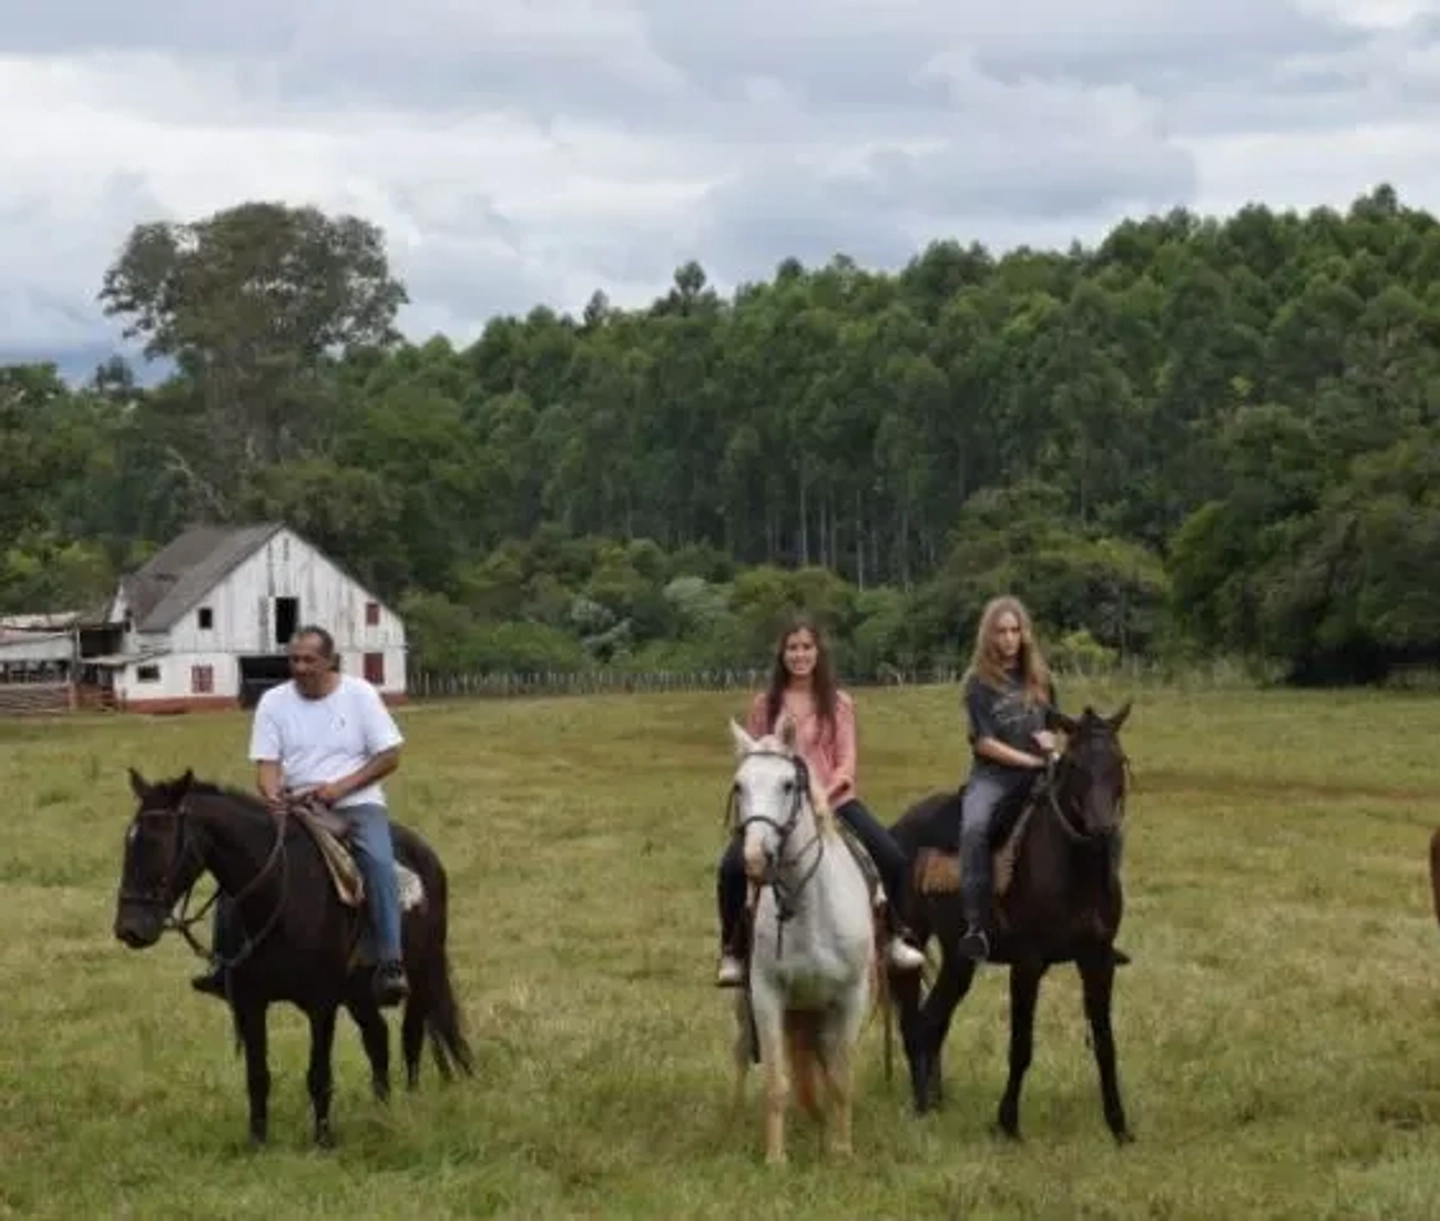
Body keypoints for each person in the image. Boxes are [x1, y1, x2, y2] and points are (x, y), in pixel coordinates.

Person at [190, 624, 411, 1007]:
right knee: (240, 865)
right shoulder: (274, 702)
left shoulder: (359, 695)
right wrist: (273, 795)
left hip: (355, 802)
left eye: (309, 659)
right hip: (294, 804)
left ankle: (390, 962)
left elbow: (389, 757)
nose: (300, 667)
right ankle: (225, 965)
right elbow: (267, 764)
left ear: (329, 661)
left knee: (377, 862)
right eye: (294, 659)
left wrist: (339, 788)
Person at [714, 615, 927, 986]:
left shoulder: (839, 703)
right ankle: (733, 949)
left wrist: (821, 797)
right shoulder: (764, 704)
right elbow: (755, 759)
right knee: (731, 868)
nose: (799, 655)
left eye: (806, 647)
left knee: (891, 856)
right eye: (792, 648)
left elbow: (846, 763)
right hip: (778, 807)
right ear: (782, 654)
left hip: (835, 799)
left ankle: (894, 936)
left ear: (818, 652)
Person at [954, 595, 1129, 965]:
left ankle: (1100, 923)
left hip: (1043, 771)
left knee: (1103, 824)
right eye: (1001, 631)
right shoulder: (978, 684)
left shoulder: (1040, 677)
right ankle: (976, 926)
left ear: (1025, 634)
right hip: (994, 778)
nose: (1008, 638)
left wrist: (1055, 743)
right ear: (989, 636)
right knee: (973, 827)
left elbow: (1051, 725)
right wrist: (1030, 760)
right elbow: (984, 743)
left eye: (1015, 630)